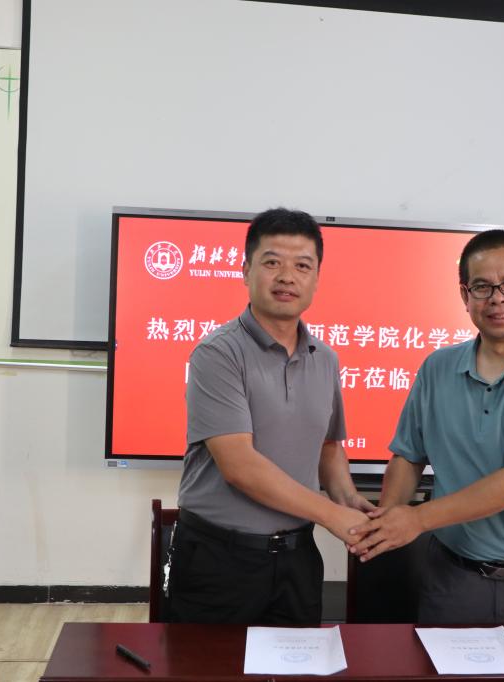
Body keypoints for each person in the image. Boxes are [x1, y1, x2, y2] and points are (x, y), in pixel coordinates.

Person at [350, 229, 504, 624]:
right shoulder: (437, 368)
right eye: (482, 287)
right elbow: (408, 458)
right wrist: (387, 522)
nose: (497, 298)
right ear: (465, 296)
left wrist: (416, 519)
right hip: (453, 578)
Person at [168, 207, 373, 626]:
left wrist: (349, 499)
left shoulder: (325, 359)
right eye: (272, 262)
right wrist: (334, 515)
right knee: (209, 664)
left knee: (298, 660)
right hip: (219, 560)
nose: (287, 277)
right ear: (246, 271)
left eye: (302, 266)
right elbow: (240, 467)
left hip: (298, 558)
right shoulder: (218, 353)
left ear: (316, 278)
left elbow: (328, 447)